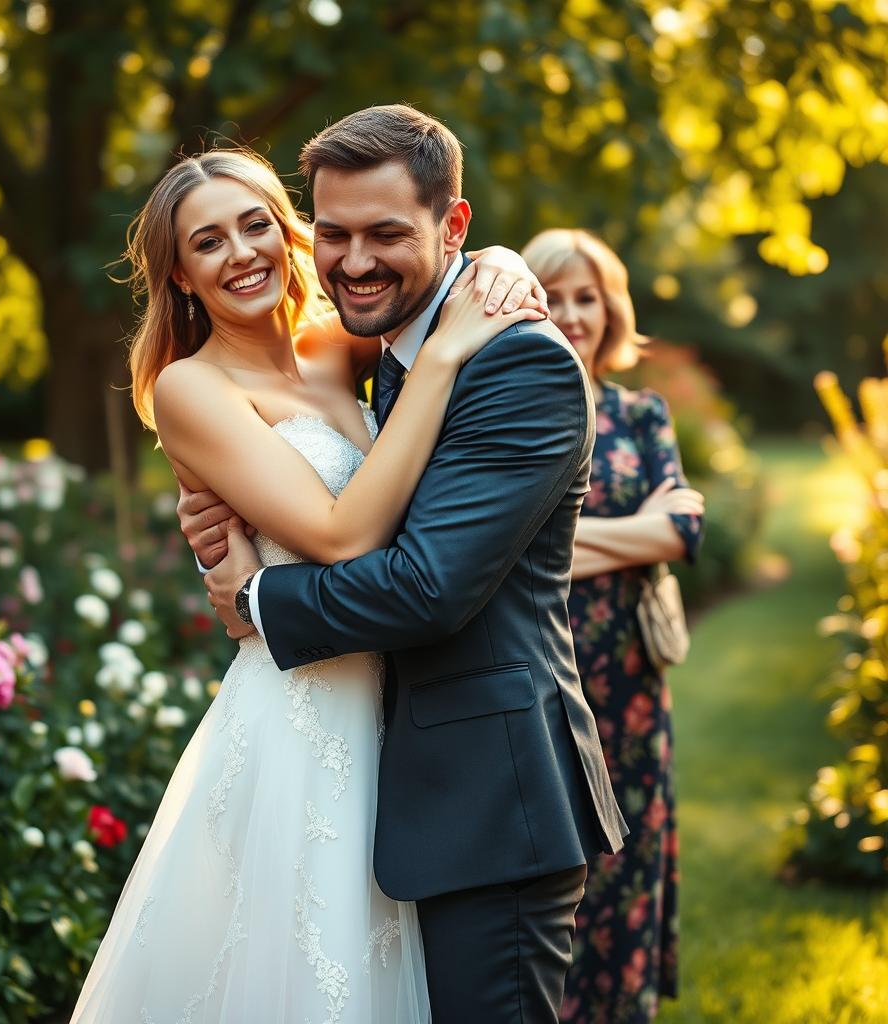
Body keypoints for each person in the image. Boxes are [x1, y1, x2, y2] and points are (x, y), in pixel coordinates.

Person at [69, 140, 550, 1024]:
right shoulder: (190, 387)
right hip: (301, 709)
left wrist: (503, 263)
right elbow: (340, 531)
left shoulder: (338, 347)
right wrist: (445, 363)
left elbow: (428, 270)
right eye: (208, 242)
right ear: (178, 274)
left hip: (399, 706)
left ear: (290, 234)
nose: (242, 252)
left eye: (256, 224)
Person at [182, 104, 627, 1024]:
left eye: (387, 233)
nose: (353, 261)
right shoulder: (375, 355)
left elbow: (427, 586)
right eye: (333, 233)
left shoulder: (518, 366)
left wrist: (256, 598)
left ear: (453, 225)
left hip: (489, 806)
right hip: (374, 788)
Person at [520, 228, 704, 1024]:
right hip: (545, 676)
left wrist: (547, 542)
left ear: (610, 308)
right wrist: (635, 535)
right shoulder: (508, 411)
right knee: (555, 869)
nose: (570, 313)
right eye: (552, 296)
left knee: (629, 859)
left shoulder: (641, 414)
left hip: (631, 684)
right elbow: (491, 554)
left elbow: (681, 534)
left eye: (585, 297)